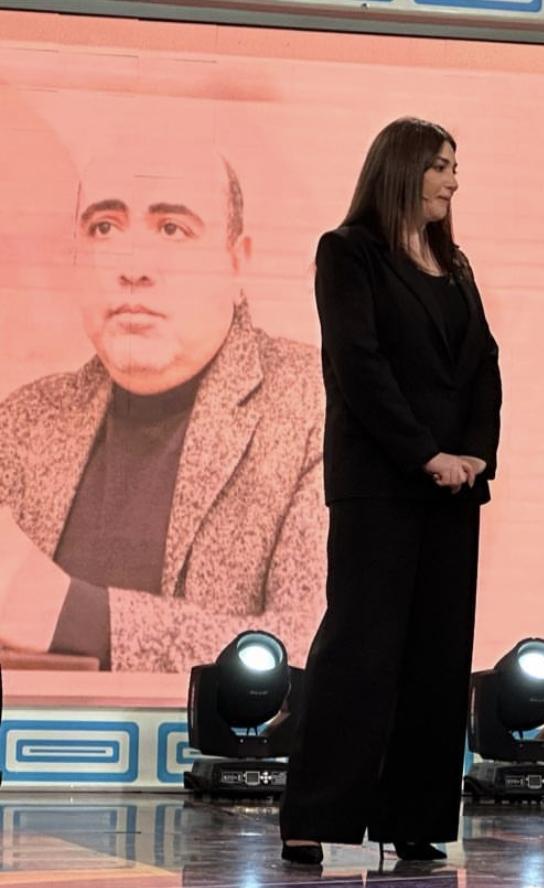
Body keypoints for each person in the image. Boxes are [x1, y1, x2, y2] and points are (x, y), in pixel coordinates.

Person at [0, 142, 326, 672]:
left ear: (236, 261)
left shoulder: (318, 405)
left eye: (173, 229)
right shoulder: (23, 421)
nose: (134, 268)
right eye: (104, 228)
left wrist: (68, 617)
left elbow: (320, 647)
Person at [278, 117, 502, 867]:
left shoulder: (455, 264)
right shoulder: (348, 253)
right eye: (441, 166)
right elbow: (360, 367)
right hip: (379, 483)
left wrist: (474, 455)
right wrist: (425, 454)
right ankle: (315, 813)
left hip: (454, 490)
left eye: (455, 166)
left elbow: (483, 365)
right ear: (403, 168)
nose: (453, 181)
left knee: (438, 654)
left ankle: (415, 817)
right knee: (361, 645)